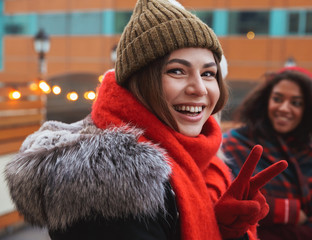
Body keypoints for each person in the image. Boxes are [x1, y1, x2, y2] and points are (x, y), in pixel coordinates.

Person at [5, 0, 287, 239]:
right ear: (140, 83)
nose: (199, 88)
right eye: (177, 71)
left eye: (209, 73)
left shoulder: (199, 160)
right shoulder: (114, 180)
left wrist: (223, 228)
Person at [221, 66, 312, 240]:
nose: (284, 108)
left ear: (308, 110)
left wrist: (263, 228)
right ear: (266, 101)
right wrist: (288, 212)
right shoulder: (231, 144)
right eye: (277, 99)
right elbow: (221, 202)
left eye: (296, 103)